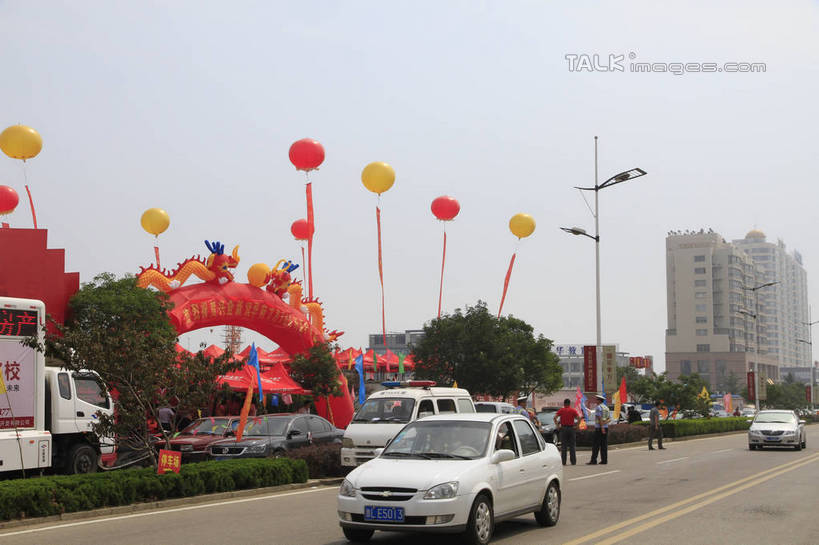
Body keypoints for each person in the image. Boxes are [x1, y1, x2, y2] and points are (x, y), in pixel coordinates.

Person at [554, 398, 581, 465]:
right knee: (572, 446)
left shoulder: (561, 410)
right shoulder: (573, 410)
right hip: (571, 429)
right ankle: (573, 462)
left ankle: (563, 462)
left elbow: (555, 418)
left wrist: (557, 425)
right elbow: (579, 418)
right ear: (569, 404)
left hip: (563, 429)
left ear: (564, 403)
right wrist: (577, 426)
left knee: (564, 446)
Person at [587, 394, 610, 465]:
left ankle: (593, 460)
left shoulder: (598, 407)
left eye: (596, 399)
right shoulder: (606, 408)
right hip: (606, 428)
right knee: (604, 445)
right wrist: (604, 424)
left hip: (599, 429)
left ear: (599, 400)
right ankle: (604, 460)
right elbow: (609, 419)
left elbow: (599, 418)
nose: (595, 400)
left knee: (596, 445)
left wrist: (602, 427)